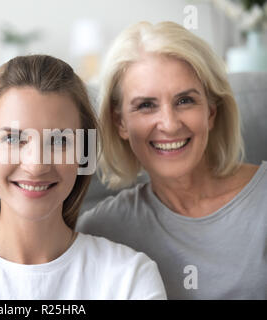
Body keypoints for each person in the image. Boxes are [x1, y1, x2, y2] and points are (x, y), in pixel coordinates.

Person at [0, 54, 166, 300]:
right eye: (13, 139)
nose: (36, 165)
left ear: (83, 155)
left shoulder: (130, 277)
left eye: (60, 141)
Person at [76, 21, 267, 299]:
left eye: (185, 101)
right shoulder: (102, 231)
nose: (169, 124)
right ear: (121, 123)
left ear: (211, 112)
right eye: (146, 105)